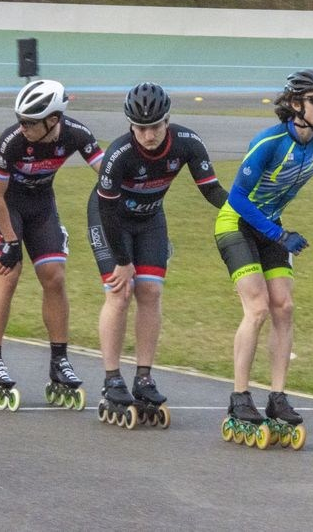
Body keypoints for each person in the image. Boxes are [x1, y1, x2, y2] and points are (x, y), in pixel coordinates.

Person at [216, 70, 313, 445]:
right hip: (237, 224)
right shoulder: (269, 142)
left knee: (284, 306)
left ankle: (277, 397)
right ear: (295, 104)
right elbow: (237, 198)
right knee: (258, 308)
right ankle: (240, 395)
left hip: (271, 227)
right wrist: (278, 235)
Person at [89, 82, 228, 427]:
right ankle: (112, 378)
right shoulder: (119, 155)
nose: (148, 135)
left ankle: (144, 377)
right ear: (130, 126)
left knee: (150, 292)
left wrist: (247, 213)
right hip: (111, 220)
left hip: (150, 218)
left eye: (155, 126)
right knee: (120, 293)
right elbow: (107, 213)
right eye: (140, 128)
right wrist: (123, 262)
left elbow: (211, 190)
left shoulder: (188, 142)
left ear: (168, 121)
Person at [0, 79, 104, 411]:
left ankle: (59, 361)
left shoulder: (76, 134)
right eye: (20, 120)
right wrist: (10, 241)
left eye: (30, 122)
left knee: (55, 276)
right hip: (5, 205)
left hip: (41, 205)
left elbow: (107, 174)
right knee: (7, 275)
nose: (23, 127)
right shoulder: (11, 141)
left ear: (54, 119)